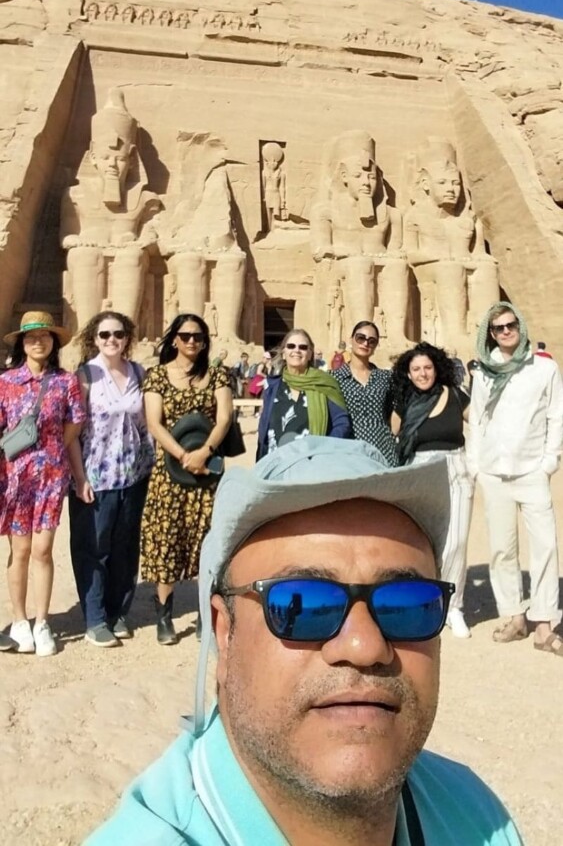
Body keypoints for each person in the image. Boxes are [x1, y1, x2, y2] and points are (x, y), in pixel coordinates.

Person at [87, 438, 523, 845]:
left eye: (405, 605)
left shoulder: (478, 819)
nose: (364, 646)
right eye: (304, 604)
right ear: (224, 632)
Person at [467, 302, 563, 654]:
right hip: (494, 470)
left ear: (520, 326)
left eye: (510, 325)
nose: (506, 332)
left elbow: (556, 415)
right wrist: (476, 465)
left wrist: (549, 462)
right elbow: (476, 420)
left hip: (532, 470)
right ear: (490, 333)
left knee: (546, 546)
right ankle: (514, 615)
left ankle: (543, 622)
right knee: (502, 550)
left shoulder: (544, 368)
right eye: (499, 328)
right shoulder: (484, 371)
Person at [141, 313, 233, 644]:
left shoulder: (217, 374)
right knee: (167, 539)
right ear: (174, 339)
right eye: (185, 335)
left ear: (205, 341)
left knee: (206, 542)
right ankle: (164, 614)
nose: (191, 341)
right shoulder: (156, 376)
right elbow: (154, 423)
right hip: (170, 470)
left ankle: (204, 615)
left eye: (198, 336)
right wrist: (183, 456)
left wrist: (204, 451)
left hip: (207, 468)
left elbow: (224, 417)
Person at [67, 311, 155, 648]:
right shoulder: (86, 375)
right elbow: (72, 433)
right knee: (93, 547)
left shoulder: (139, 372)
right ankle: (94, 617)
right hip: (96, 474)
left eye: (118, 334)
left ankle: (118, 611)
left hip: (133, 473)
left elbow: (146, 423)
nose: (112, 340)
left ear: (128, 337)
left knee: (125, 545)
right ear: (94, 338)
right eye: (105, 335)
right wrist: (79, 477)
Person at [0, 311, 85, 656]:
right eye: (32, 337)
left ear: (54, 342)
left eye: (45, 336)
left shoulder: (66, 382)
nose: (39, 341)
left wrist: (51, 453)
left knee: (43, 550)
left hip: (50, 475)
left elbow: (74, 425)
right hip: (14, 477)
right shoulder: (6, 383)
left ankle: (42, 621)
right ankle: (20, 621)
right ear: (22, 342)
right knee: (19, 551)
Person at [392, 343, 473, 639]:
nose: (422, 373)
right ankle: (423, 600)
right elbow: (393, 434)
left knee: (457, 539)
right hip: (420, 470)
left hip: (456, 466)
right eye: (416, 369)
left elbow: (484, 418)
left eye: (427, 367)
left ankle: (453, 606)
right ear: (408, 374)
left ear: (437, 367)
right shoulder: (406, 400)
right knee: (423, 539)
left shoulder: (453, 394)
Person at [257, 328, 351, 459]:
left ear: (310, 354)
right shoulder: (272, 388)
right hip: (276, 465)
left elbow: (341, 422)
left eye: (303, 347)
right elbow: (264, 429)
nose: (296, 350)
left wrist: (324, 451)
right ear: (284, 353)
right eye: (291, 346)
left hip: (313, 465)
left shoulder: (324, 383)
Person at [331, 320, 398, 467]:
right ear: (351, 339)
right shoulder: (334, 377)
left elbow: (393, 411)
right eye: (360, 338)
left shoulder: (385, 377)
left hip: (383, 447)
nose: (365, 343)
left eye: (372, 341)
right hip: (349, 448)